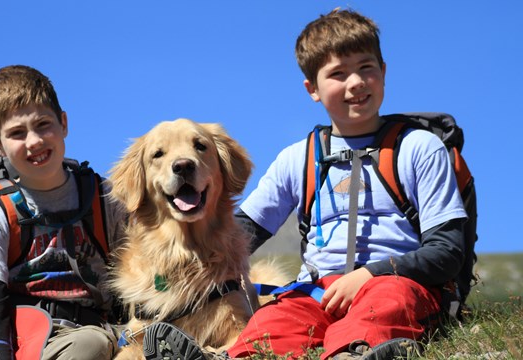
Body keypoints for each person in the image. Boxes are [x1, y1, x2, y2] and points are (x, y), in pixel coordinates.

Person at [142, 8, 467, 360]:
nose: (355, 82)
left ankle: (355, 352)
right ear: (312, 88)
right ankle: (225, 357)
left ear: (383, 72)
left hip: (395, 282)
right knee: (271, 323)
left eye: (366, 67)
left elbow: (447, 252)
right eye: (338, 74)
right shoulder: (298, 158)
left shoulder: (418, 147)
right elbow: (241, 233)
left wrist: (370, 275)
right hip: (315, 294)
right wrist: (172, 271)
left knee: (385, 305)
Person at [0, 65, 125, 360]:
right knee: (90, 345)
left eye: (43, 124)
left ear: (64, 123)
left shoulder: (105, 198)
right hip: (26, 341)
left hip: (106, 329)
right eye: (17, 133)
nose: (34, 141)